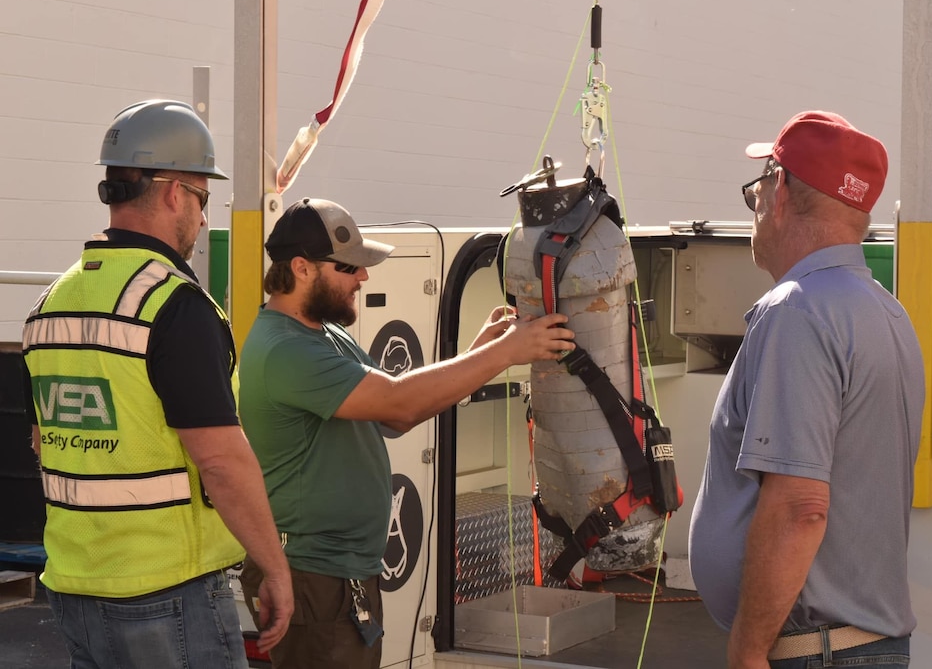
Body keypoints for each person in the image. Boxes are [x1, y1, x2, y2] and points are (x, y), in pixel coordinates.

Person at [236, 197, 575, 669]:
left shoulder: (322, 334)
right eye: (349, 267)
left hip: (338, 575)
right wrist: (507, 353)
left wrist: (480, 350)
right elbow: (401, 401)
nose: (363, 278)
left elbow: (397, 409)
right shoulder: (285, 351)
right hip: (315, 576)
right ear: (301, 268)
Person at [21, 99, 293, 668]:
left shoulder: (51, 304)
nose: (201, 218)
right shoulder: (174, 305)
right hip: (167, 595)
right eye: (203, 199)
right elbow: (221, 461)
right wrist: (274, 566)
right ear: (174, 192)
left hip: (73, 587)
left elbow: (44, 442)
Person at [688, 111, 924, 668]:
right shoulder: (887, 311)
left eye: (758, 187)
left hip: (813, 654)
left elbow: (800, 509)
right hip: (860, 648)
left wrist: (747, 652)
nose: (756, 205)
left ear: (782, 189)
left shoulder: (796, 311)